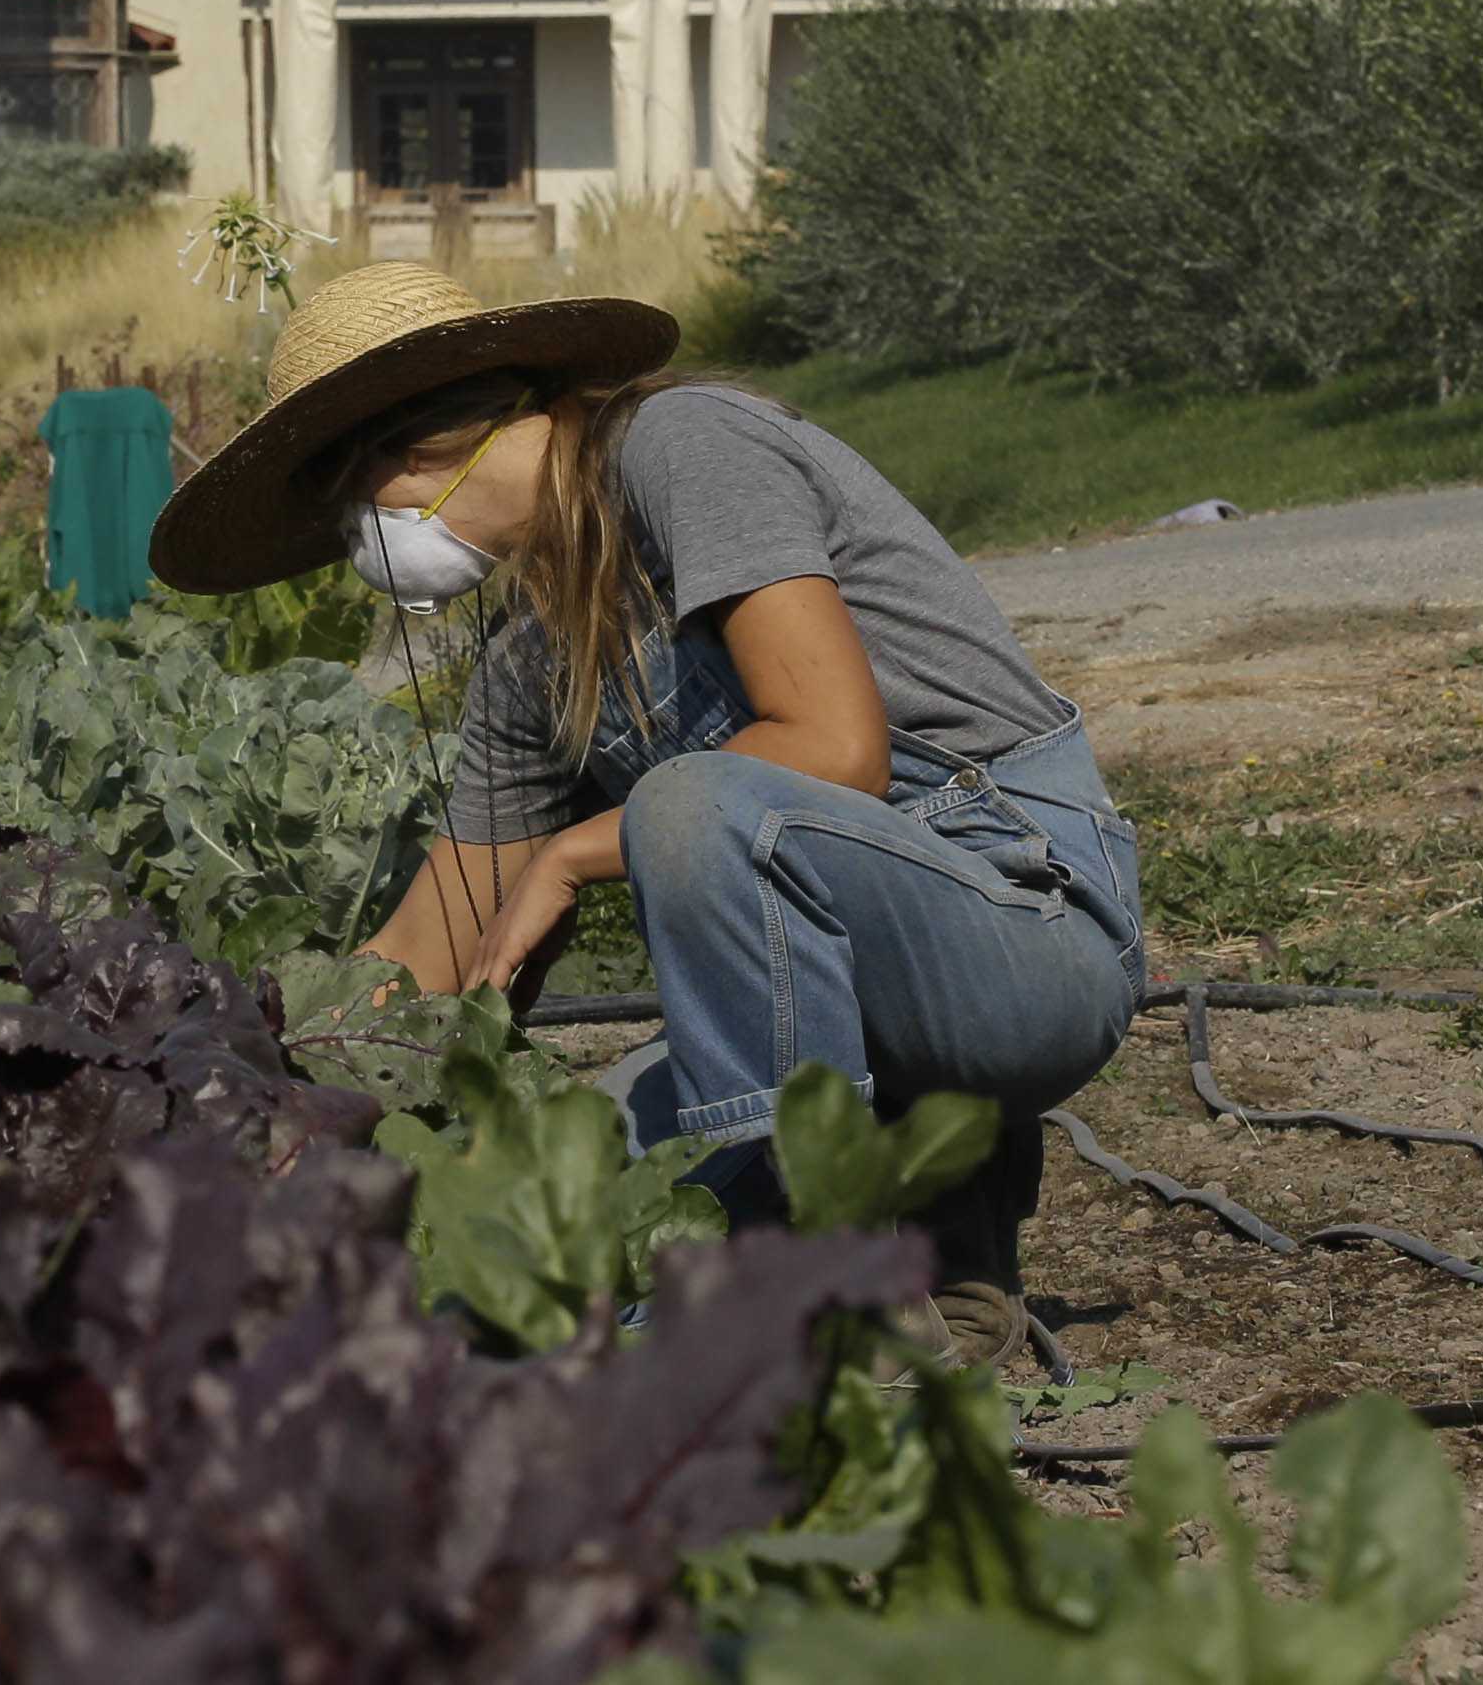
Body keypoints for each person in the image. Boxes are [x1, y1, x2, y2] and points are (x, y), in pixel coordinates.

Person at [148, 259, 1142, 1365]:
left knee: (692, 804)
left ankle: (835, 1282)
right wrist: (252, 1088)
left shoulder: (683, 446)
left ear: (411, 448)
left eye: (348, 506)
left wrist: (571, 853)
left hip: (1027, 939)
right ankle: (939, 1240)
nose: (356, 541)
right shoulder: (527, 667)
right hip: (855, 1011)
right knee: (547, 1236)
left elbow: (836, 750)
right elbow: (434, 948)